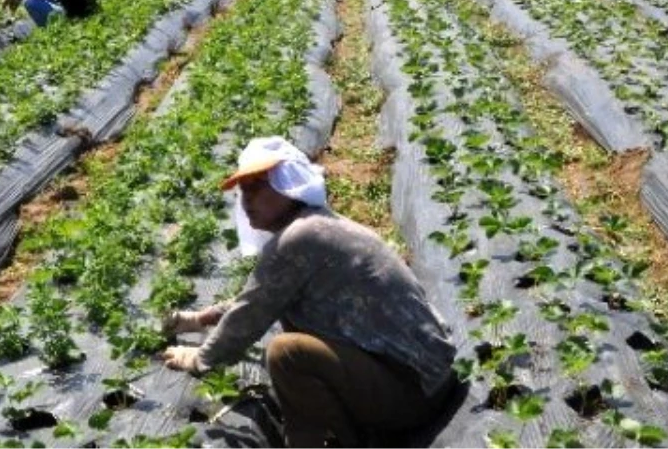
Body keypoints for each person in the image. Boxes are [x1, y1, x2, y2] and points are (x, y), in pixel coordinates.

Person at [161, 137, 458, 449]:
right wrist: (199, 319)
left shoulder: (300, 238)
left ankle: (340, 442)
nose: (246, 199)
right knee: (295, 334)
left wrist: (198, 359)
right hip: (428, 380)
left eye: (257, 186)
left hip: (415, 392)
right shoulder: (315, 227)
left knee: (287, 353)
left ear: (286, 183)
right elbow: (262, 296)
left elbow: (250, 314)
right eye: (242, 190)